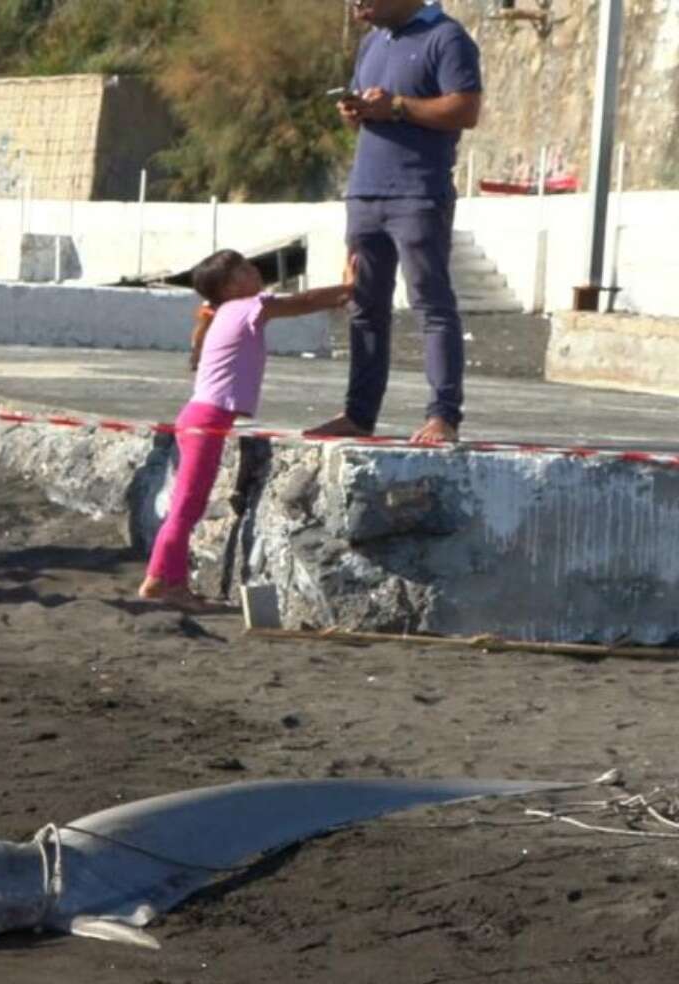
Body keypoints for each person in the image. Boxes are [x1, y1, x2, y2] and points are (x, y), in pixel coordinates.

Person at [308, 0, 483, 447]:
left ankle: (443, 416)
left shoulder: (447, 37)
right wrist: (355, 114)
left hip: (417, 194)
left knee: (432, 305)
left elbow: (465, 109)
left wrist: (399, 107)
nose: (355, 6)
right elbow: (373, 109)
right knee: (364, 307)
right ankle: (359, 414)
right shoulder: (372, 43)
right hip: (365, 193)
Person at [141, 250, 356, 610]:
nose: (253, 270)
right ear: (231, 286)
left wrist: (342, 292)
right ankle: (166, 582)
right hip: (205, 422)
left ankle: (160, 578)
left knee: (186, 506)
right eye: (243, 268)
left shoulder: (228, 312)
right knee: (186, 509)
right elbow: (302, 301)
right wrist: (350, 287)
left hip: (201, 420)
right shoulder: (244, 307)